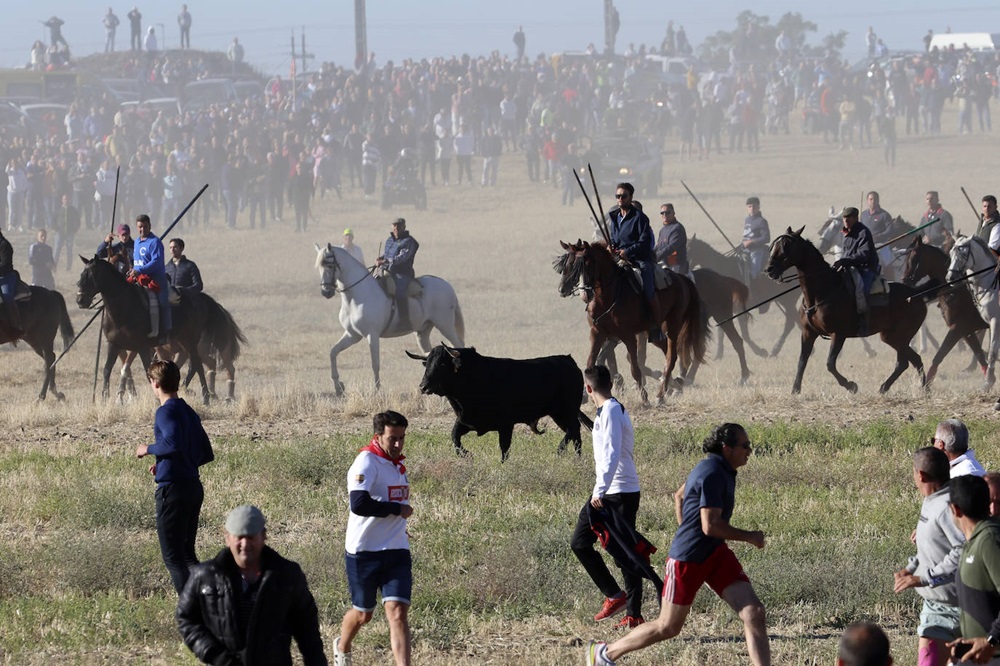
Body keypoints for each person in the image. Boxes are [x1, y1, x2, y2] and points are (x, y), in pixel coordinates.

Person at [587, 423, 770, 666]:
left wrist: (685, 527)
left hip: (714, 553)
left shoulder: (719, 469)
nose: (750, 450)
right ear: (727, 448)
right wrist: (749, 536)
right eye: (745, 446)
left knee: (753, 612)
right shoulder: (713, 473)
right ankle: (604, 653)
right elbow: (710, 526)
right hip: (689, 559)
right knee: (668, 626)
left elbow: (680, 495)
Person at [177, 504, 328, 665]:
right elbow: (186, 618)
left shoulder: (286, 576)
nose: (245, 544)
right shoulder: (205, 577)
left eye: (251, 537)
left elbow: (307, 627)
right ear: (227, 538)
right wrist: (216, 655)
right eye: (239, 537)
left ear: (263, 536)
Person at [572, 365, 662, 630]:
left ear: (588, 389)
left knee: (625, 552)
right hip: (609, 489)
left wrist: (599, 491)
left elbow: (611, 453)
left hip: (618, 492)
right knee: (580, 542)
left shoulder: (610, 410)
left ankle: (633, 613)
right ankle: (615, 596)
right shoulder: (605, 412)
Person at [335, 410, 413, 666]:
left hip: (396, 550)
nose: (398, 444)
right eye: (393, 438)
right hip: (364, 552)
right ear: (378, 436)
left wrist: (398, 526)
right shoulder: (365, 462)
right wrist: (396, 510)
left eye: (402, 438)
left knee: (397, 612)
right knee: (363, 614)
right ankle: (342, 646)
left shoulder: (396, 464)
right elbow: (358, 504)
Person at [135, 360, 214, 594]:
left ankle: (191, 611)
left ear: (155, 383)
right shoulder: (189, 412)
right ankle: (211, 600)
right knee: (188, 554)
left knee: (173, 558)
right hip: (192, 487)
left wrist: (147, 449)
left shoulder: (165, 412)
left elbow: (171, 443)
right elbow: (205, 452)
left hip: (173, 492)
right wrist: (166, 465)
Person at [893, 447, 964, 666]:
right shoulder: (931, 499)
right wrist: (911, 567)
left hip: (962, 608)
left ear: (921, 475)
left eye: (913, 472)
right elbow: (932, 545)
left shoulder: (948, 506)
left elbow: (962, 550)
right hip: (935, 606)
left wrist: (924, 578)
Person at [946, 474, 1000, 664]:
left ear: (956, 509)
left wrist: (991, 640)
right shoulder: (974, 540)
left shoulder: (989, 540)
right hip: (975, 655)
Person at [607, 183, 659, 337]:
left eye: (623, 196)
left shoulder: (640, 218)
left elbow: (644, 241)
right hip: (619, 259)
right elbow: (614, 239)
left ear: (631, 197)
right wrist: (611, 247)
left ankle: (655, 325)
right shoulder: (615, 217)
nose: (620, 199)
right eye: (618, 196)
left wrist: (628, 251)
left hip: (639, 260)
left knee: (648, 289)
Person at [833, 206, 879, 336]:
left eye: (849, 218)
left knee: (861, 289)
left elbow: (863, 254)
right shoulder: (846, 233)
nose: (846, 221)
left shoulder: (863, 232)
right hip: (850, 267)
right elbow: (847, 253)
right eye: (844, 218)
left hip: (866, 268)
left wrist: (845, 261)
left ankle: (863, 321)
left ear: (855, 218)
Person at [129, 213, 171, 341]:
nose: (142, 229)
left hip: (155, 280)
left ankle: (165, 331)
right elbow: (137, 261)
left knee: (163, 302)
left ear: (150, 226)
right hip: (138, 279)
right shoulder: (136, 242)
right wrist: (132, 270)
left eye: (145, 226)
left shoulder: (155, 242)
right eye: (140, 227)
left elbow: (156, 262)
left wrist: (139, 270)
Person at [376, 219, 418, 331]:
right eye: (394, 226)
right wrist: (381, 258)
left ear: (404, 227)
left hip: (402, 273)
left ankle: (404, 321)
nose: (396, 229)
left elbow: (401, 258)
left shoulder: (409, 241)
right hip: (388, 272)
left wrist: (385, 261)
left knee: (399, 291)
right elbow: (387, 253)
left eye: (398, 226)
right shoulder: (389, 240)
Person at [861, 191, 894, 278]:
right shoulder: (863, 215)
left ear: (878, 200)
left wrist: (879, 236)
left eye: (875, 199)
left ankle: (890, 279)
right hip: (867, 244)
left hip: (882, 244)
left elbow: (890, 230)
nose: (873, 201)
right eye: (871, 199)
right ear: (867, 201)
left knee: (887, 261)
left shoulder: (884, 215)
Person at [654, 203, 691, 278]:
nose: (664, 215)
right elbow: (658, 246)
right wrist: (649, 255)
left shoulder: (677, 228)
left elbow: (671, 247)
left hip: (677, 265)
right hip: (665, 264)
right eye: (662, 213)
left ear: (673, 213)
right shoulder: (663, 230)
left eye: (667, 212)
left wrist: (656, 257)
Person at [741, 196, 770, 282]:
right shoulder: (747, 220)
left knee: (754, 272)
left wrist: (751, 241)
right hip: (745, 250)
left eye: (754, 206)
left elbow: (766, 238)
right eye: (750, 206)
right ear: (747, 208)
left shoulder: (761, 221)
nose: (752, 208)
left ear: (758, 207)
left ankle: (752, 288)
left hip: (757, 251)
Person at [0, 227, 22, 333]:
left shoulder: (5, 245)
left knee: (7, 296)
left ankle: (15, 324)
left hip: (6, 277)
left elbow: (5, 265)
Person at [52, 193, 81, 273]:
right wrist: (56, 228)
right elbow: (53, 220)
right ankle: (54, 266)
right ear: (62, 200)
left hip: (70, 233)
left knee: (69, 250)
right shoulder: (58, 209)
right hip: (59, 233)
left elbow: (78, 220)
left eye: (67, 199)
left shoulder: (73, 210)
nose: (66, 200)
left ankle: (69, 267)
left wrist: (75, 229)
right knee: (57, 249)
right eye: (64, 199)